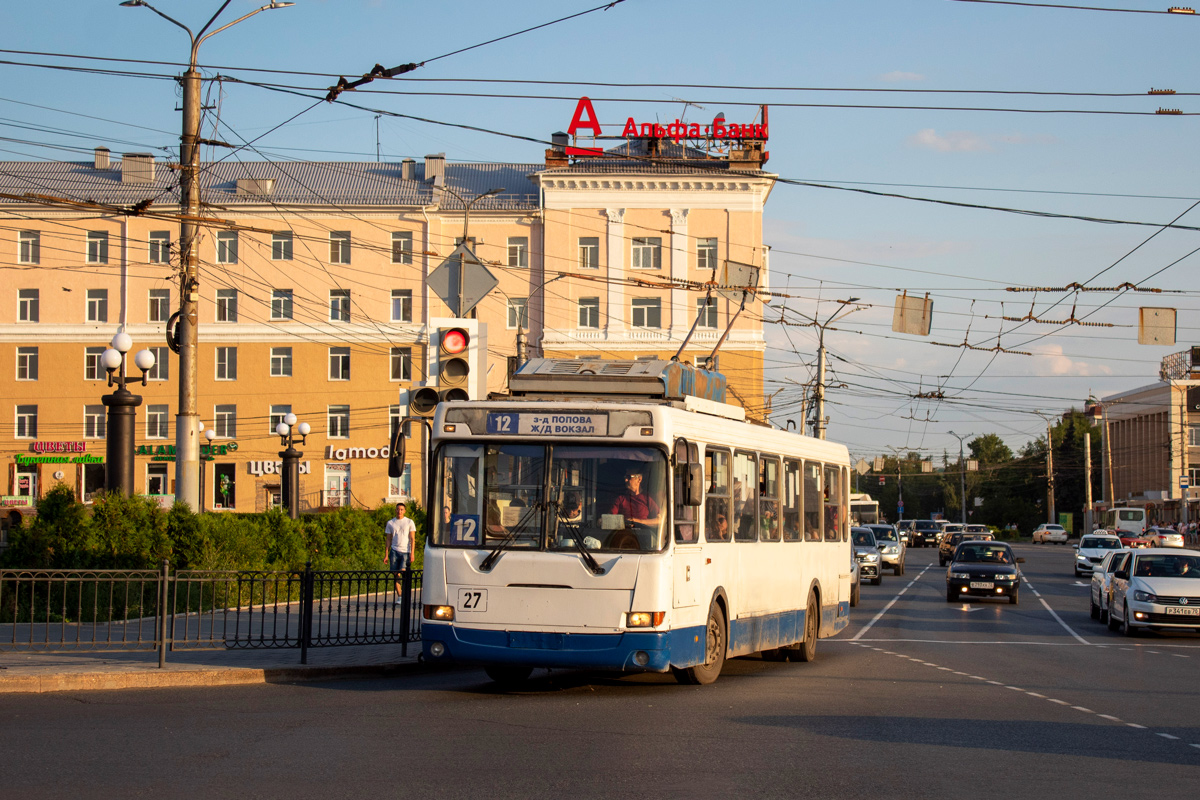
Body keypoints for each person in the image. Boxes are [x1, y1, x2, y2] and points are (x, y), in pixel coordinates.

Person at [384, 503, 416, 605]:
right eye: (398, 509)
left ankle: (406, 594)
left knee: (403, 573)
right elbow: (388, 539)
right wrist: (386, 554)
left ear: (404, 511)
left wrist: (412, 553)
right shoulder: (390, 523)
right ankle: (400, 596)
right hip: (394, 550)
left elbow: (412, 539)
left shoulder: (409, 522)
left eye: (402, 509)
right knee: (396, 574)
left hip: (405, 551)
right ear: (395, 510)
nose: (399, 511)